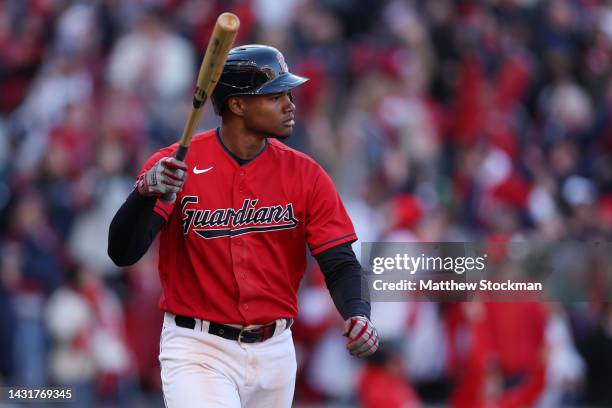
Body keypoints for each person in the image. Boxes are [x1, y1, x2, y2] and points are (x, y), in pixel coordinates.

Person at [108, 44, 378, 407]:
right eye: (275, 96)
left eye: (289, 94)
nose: (290, 105)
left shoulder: (306, 174)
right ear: (237, 105)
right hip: (198, 348)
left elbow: (340, 261)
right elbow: (122, 253)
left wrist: (358, 312)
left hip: (276, 352)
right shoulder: (174, 166)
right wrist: (143, 195)